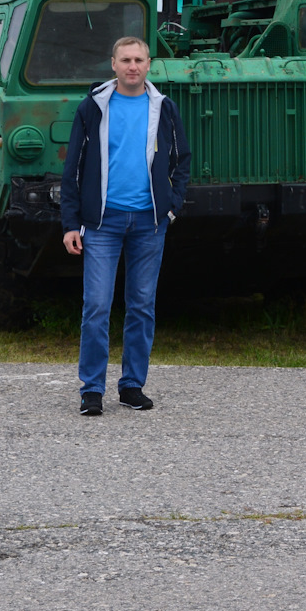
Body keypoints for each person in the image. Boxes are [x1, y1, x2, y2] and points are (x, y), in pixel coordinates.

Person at [59, 34, 190, 416]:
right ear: (113, 65)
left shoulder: (163, 108)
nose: (133, 66)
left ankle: (132, 385)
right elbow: (73, 170)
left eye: (139, 60)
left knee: (142, 306)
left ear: (149, 65)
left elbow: (182, 160)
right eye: (126, 60)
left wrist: (171, 207)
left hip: (150, 223)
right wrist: (71, 223)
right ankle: (92, 390)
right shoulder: (93, 108)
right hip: (102, 223)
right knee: (97, 306)